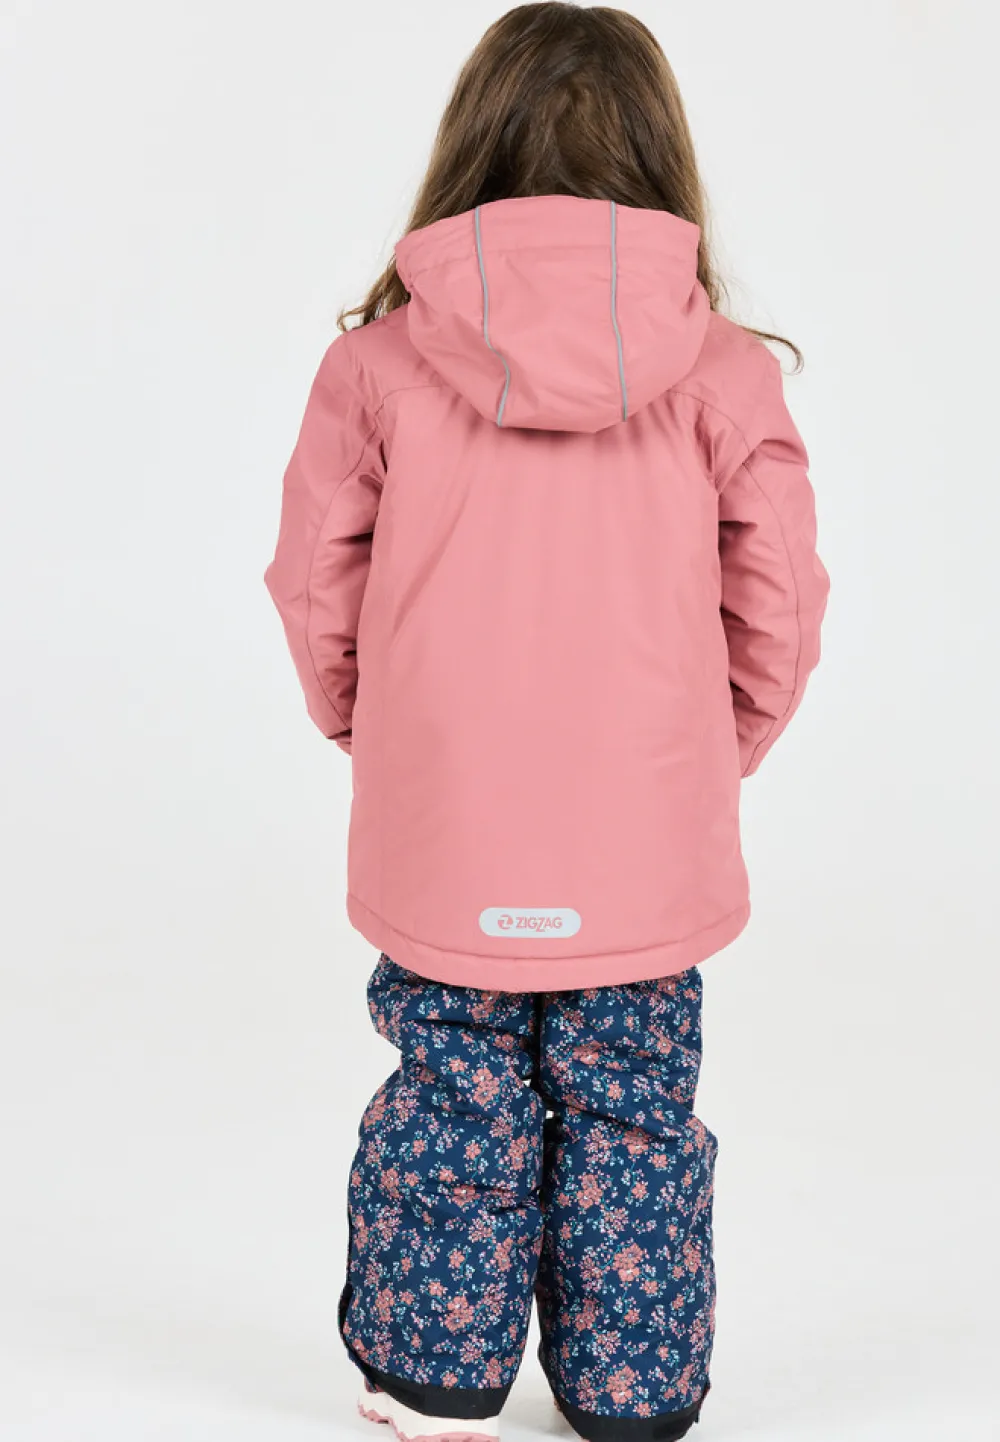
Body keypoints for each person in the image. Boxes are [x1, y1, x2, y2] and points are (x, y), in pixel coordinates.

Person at [265, 5, 829, 1439]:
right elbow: (779, 601)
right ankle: (635, 1392)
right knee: (633, 1097)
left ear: (471, 148)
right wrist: (710, 755)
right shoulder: (724, 374)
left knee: (451, 1078)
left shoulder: (377, 370)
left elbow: (315, 583)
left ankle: (432, 1375)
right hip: (645, 830)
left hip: (445, 818)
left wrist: (379, 738)